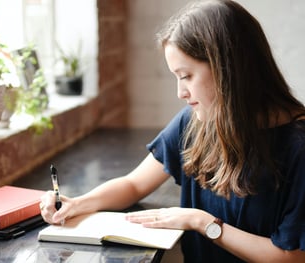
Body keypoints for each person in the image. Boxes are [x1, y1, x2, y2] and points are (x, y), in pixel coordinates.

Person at [40, 0, 305, 262]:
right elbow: (134, 184)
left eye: (187, 76)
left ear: (228, 69)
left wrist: (202, 222)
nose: (180, 93)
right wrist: (78, 204)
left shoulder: (298, 146)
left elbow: (291, 257)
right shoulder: (195, 122)